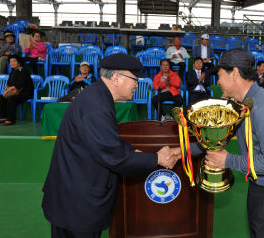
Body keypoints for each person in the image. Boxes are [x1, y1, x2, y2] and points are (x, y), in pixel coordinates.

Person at [42, 53, 181, 238]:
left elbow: (107, 140)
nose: (137, 85)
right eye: (135, 79)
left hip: (72, 197)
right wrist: (158, 158)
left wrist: (135, 151)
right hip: (77, 205)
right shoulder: (96, 107)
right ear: (116, 78)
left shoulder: (97, 96)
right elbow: (115, 157)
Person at [192, 48, 264, 238]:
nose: (218, 82)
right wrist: (182, 152)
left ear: (234, 73)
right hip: (263, 191)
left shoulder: (262, 108)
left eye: (219, 76)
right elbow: (218, 136)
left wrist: (229, 161)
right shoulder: (244, 104)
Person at [0, 55, 33, 126]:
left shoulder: (24, 71)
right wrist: (6, 90)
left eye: (14, 61)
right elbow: (8, 84)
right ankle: (3, 117)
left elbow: (19, 86)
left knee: (11, 98)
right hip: (15, 92)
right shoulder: (12, 72)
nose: (12, 63)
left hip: (24, 92)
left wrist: (8, 92)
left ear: (19, 63)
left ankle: (11, 119)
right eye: (10, 62)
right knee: (1, 97)